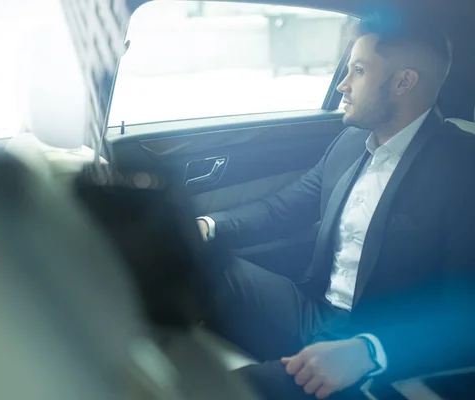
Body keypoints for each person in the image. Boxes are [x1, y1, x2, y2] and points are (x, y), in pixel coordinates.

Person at [198, 14, 475, 399]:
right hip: (314, 310)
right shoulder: (349, 143)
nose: (343, 85)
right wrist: (207, 226)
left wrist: (370, 351)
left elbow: (463, 310)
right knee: (188, 259)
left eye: (358, 71)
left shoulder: (463, 168)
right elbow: (284, 208)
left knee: (232, 388)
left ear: (404, 82)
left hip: (372, 342)